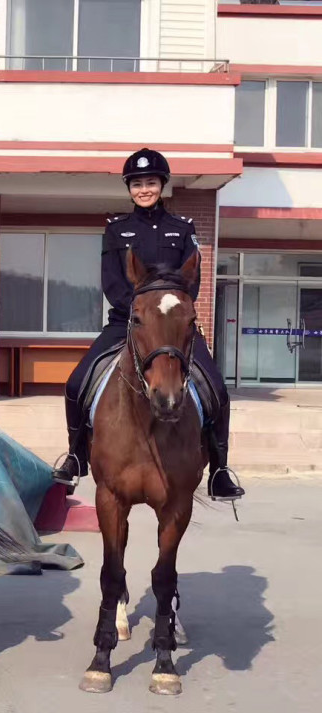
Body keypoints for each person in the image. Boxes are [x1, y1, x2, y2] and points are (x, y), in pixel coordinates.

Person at [51, 148, 244, 502]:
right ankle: (76, 456)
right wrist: (142, 313)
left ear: (162, 185)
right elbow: (112, 282)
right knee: (76, 383)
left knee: (217, 388)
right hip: (127, 322)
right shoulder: (116, 230)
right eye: (137, 184)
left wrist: (168, 314)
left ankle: (219, 470)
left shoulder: (182, 229)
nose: (144, 190)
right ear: (129, 189)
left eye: (151, 183)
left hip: (173, 326)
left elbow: (191, 281)